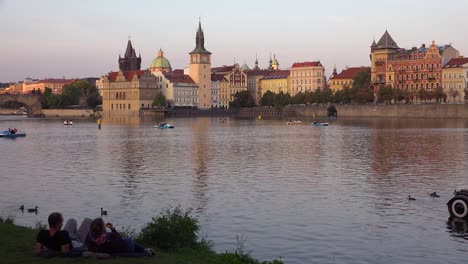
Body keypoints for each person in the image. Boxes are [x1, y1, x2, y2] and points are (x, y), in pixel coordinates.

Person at [85, 218, 155, 257]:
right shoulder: (107, 238)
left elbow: (88, 246)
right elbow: (119, 239)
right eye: (103, 224)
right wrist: (112, 229)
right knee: (130, 242)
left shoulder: (90, 237)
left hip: (124, 243)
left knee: (130, 242)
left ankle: (146, 250)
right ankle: (147, 251)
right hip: (128, 245)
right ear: (102, 228)